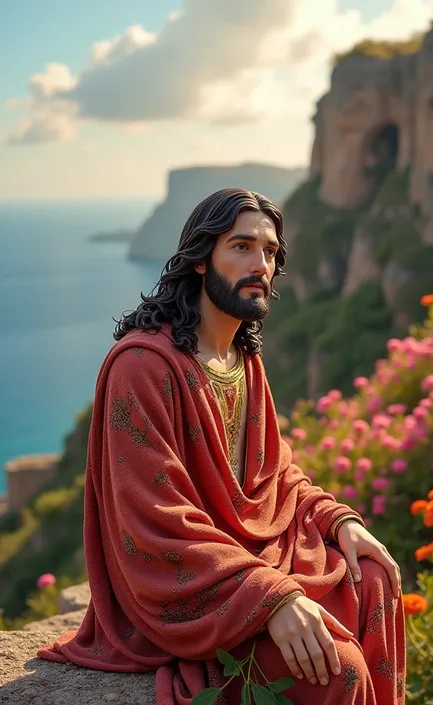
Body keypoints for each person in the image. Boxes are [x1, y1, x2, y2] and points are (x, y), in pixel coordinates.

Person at [38, 188, 406, 704]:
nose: (261, 264)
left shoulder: (241, 359)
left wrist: (337, 521)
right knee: (336, 668)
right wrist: (273, 600)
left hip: (251, 565)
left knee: (373, 582)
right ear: (199, 260)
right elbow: (154, 519)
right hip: (189, 596)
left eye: (271, 252)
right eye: (241, 247)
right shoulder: (142, 367)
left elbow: (273, 476)